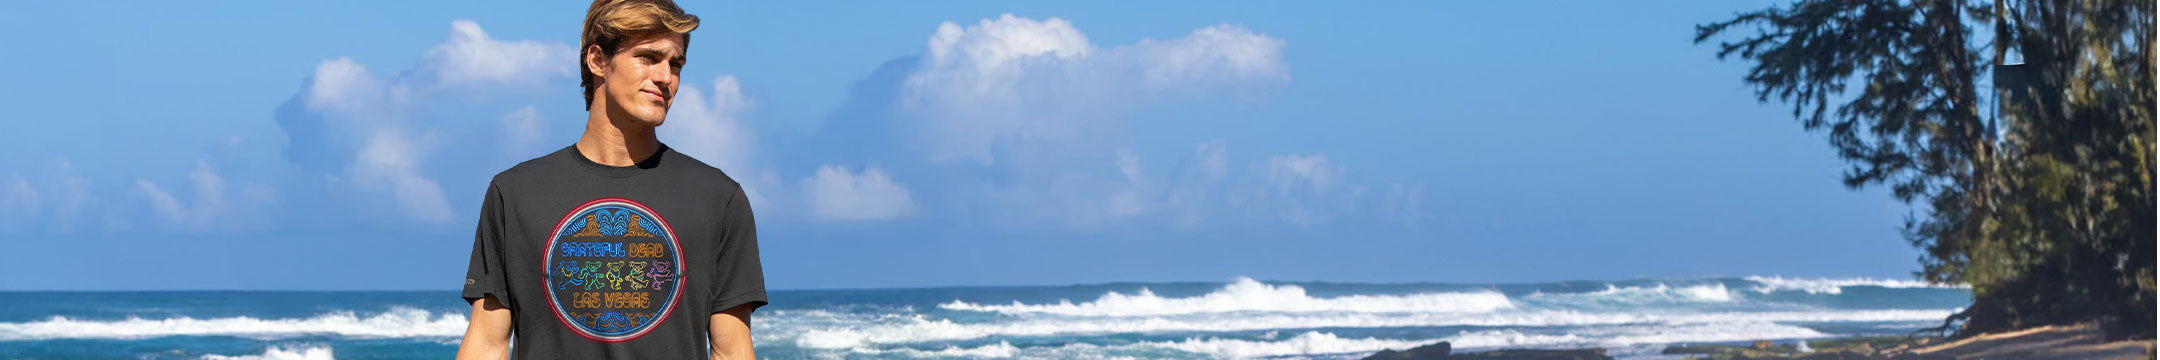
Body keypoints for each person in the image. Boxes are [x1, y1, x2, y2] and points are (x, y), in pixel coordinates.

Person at [454, 0, 764, 358]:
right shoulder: (515, 194)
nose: (666, 77)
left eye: (675, 63)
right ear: (598, 60)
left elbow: (732, 351)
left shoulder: (717, 199)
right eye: (649, 57)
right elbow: (487, 342)